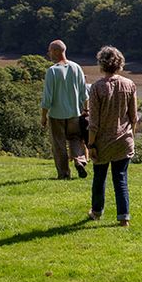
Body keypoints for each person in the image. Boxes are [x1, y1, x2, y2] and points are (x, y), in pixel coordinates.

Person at [87, 45, 138, 227]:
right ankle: (124, 217)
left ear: (101, 64)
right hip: (124, 140)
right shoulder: (130, 85)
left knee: (99, 178)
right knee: (121, 178)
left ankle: (96, 212)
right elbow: (133, 117)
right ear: (120, 64)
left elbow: (93, 122)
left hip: (102, 142)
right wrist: (131, 135)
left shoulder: (96, 88)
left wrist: (91, 145)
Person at [41, 39, 89, 180]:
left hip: (57, 115)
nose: (49, 53)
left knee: (58, 144)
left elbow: (47, 97)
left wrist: (43, 116)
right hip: (75, 113)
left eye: (50, 50)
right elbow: (83, 92)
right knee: (75, 139)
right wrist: (85, 109)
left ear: (56, 51)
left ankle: (64, 174)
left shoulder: (52, 71)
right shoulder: (77, 67)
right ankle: (79, 161)